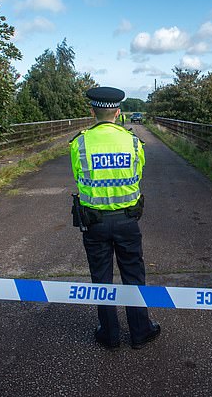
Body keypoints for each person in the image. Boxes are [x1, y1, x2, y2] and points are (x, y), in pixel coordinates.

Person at [70, 86, 161, 350]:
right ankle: (140, 331)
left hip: (94, 222)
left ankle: (109, 334)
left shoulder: (80, 142)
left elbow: (78, 176)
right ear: (118, 112)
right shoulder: (133, 141)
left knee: (101, 278)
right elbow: (139, 172)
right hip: (127, 220)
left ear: (92, 111)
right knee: (133, 275)